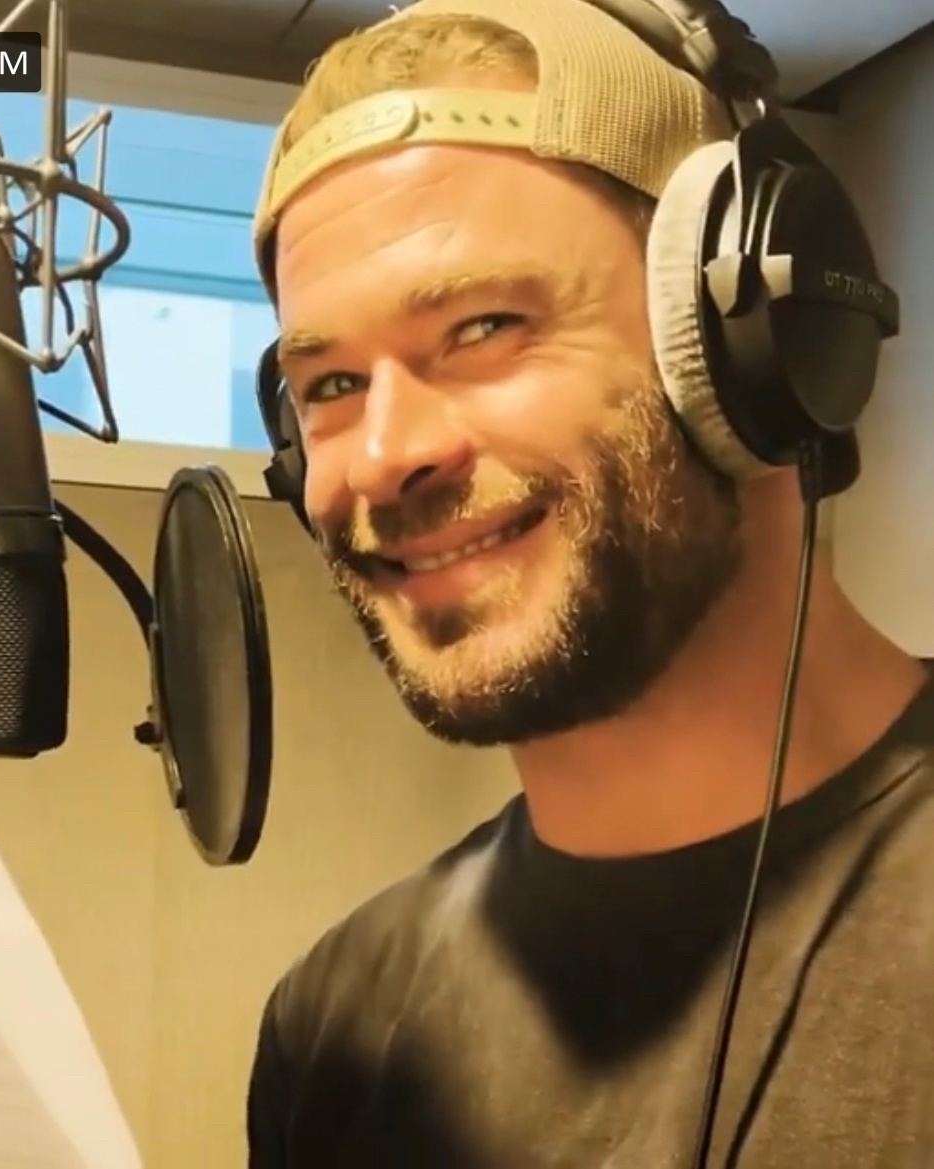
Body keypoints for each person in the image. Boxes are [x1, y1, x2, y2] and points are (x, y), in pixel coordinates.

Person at [244, 1, 934, 1165]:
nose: (384, 455)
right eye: (331, 387)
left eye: (483, 326)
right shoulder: (335, 1028)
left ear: (748, 345)